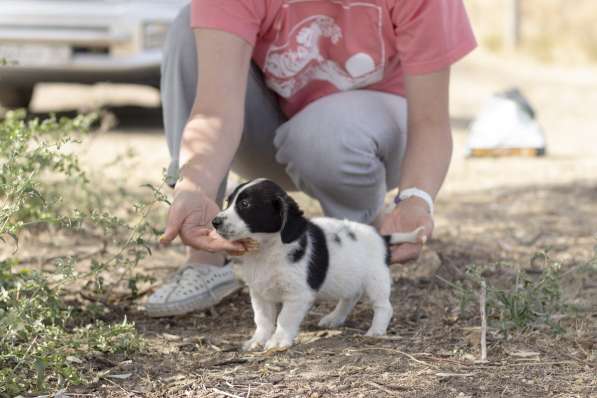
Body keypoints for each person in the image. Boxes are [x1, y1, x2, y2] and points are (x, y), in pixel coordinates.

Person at [145, 0, 477, 317]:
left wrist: (416, 200)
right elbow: (214, 113)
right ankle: (206, 258)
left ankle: (363, 225)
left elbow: (430, 123)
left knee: (324, 131)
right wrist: (194, 187)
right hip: (274, 132)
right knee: (187, 30)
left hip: (375, 137)